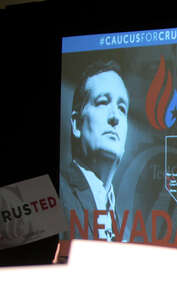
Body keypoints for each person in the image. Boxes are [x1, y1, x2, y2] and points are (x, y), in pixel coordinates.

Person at [60, 59, 129, 241]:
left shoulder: (128, 234)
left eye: (122, 108)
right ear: (76, 123)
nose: (115, 117)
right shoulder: (52, 194)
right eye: (103, 102)